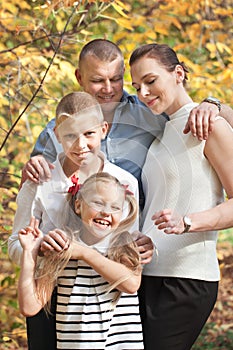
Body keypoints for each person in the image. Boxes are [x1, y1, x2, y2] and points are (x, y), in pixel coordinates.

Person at [20, 39, 233, 209]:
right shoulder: (56, 131)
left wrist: (213, 104)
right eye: (97, 80)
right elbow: (30, 197)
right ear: (79, 77)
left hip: (137, 243)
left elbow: (190, 114)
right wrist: (29, 171)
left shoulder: (150, 113)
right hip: (74, 241)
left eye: (115, 79)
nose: (108, 89)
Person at [8, 91, 141, 350]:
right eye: (70, 136)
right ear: (57, 135)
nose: (80, 145)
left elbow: (129, 247)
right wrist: (42, 249)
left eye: (89, 134)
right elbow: (16, 243)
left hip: (108, 298)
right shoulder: (39, 182)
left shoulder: (125, 183)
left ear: (103, 129)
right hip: (48, 292)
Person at [129, 43, 233, 350]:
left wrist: (188, 222)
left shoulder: (208, 124)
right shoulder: (159, 133)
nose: (144, 93)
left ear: (178, 74)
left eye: (150, 81)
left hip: (187, 279)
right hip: (144, 276)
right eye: (137, 86)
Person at [18, 172, 144, 349]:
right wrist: (29, 253)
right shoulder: (62, 247)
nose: (106, 212)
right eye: (98, 203)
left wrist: (84, 253)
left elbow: (131, 284)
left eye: (115, 207)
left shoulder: (123, 243)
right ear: (78, 205)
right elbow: (29, 307)